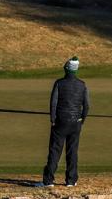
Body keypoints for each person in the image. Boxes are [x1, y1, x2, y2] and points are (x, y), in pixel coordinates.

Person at [38, 57, 89, 187]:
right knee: (72, 152)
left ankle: (48, 181)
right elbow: (86, 106)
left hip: (60, 122)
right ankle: (71, 181)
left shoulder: (59, 83)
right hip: (75, 123)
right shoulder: (82, 85)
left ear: (66, 69)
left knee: (55, 151)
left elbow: (53, 103)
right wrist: (81, 120)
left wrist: (53, 119)